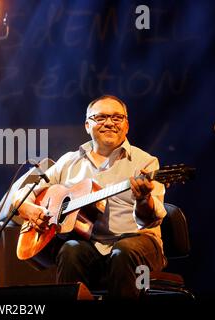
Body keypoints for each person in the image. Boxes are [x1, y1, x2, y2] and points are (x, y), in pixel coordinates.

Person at [14, 95, 167, 299]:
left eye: (117, 118)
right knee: (70, 249)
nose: (109, 123)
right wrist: (29, 208)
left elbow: (150, 220)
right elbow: (23, 191)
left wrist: (142, 200)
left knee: (123, 250)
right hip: (90, 246)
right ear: (87, 125)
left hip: (139, 245)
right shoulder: (68, 161)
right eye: (101, 117)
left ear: (127, 125)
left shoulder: (146, 163)